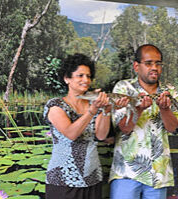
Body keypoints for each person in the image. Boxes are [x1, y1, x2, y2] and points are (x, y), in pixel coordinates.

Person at [43, 53, 127, 199]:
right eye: (80, 75)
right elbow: (71, 134)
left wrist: (106, 111)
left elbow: (101, 135)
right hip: (63, 181)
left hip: (92, 178)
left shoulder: (95, 103)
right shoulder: (55, 105)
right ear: (66, 78)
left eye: (88, 76)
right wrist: (92, 111)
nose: (85, 80)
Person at [109, 44, 178, 199]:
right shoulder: (123, 88)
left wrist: (165, 109)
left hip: (158, 174)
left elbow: (173, 128)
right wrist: (138, 109)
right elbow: (124, 129)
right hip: (126, 172)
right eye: (148, 63)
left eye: (158, 63)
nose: (154, 67)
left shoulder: (169, 91)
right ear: (136, 66)